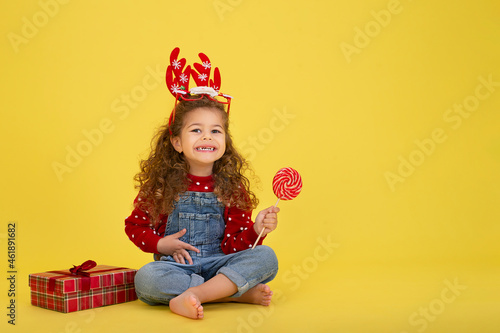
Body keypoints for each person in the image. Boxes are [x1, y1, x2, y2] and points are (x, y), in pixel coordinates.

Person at [125, 93, 279, 319]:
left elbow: (232, 246)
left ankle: (195, 293)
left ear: (225, 142)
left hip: (220, 262)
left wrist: (257, 230)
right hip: (177, 267)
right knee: (146, 279)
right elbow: (134, 226)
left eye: (215, 131)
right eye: (197, 130)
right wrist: (161, 244)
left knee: (266, 257)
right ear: (177, 142)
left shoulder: (233, 190)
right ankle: (229, 293)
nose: (207, 137)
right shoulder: (160, 187)